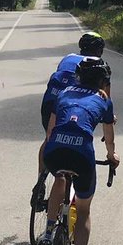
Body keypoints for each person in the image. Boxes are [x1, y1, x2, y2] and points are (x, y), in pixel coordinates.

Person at [37, 56, 118, 245]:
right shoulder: (104, 100)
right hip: (82, 156)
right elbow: (108, 136)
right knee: (83, 211)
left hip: (54, 152)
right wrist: (111, 156)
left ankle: (49, 234)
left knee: (59, 179)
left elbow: (51, 130)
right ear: (103, 81)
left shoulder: (63, 92)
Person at [32, 30, 105, 207]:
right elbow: (103, 97)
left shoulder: (68, 57)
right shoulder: (98, 66)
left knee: (50, 139)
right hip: (70, 107)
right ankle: (63, 202)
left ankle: (40, 182)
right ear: (99, 51)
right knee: (74, 143)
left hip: (52, 101)